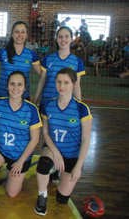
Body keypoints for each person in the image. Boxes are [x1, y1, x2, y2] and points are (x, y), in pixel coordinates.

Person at [0, 71, 42, 207]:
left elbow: (35, 139)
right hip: (1, 150)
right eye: (12, 84)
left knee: (12, 193)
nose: (15, 88)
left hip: (20, 156)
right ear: (7, 86)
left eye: (19, 84)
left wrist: (21, 162)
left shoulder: (31, 109)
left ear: (25, 88)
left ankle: (16, 174)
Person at [34, 68, 92, 216]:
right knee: (43, 164)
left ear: (73, 84)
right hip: (53, 150)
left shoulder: (82, 109)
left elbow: (86, 140)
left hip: (72, 155)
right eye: (59, 82)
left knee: (62, 199)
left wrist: (78, 166)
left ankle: (57, 173)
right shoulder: (48, 105)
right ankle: (42, 196)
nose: (62, 86)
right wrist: (56, 153)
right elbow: (45, 133)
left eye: (66, 82)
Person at [34, 26, 85, 106]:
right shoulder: (48, 58)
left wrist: (80, 107)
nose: (63, 39)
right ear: (56, 39)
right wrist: (35, 102)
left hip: (66, 105)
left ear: (71, 39)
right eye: (60, 37)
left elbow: (76, 86)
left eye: (66, 36)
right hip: (46, 103)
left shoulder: (78, 62)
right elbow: (42, 81)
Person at [0, 21, 41, 101]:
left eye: (23, 32)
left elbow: (42, 76)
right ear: (12, 34)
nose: (20, 35)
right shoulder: (3, 52)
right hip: (3, 95)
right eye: (17, 32)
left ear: (27, 34)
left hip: (23, 96)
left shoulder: (31, 54)